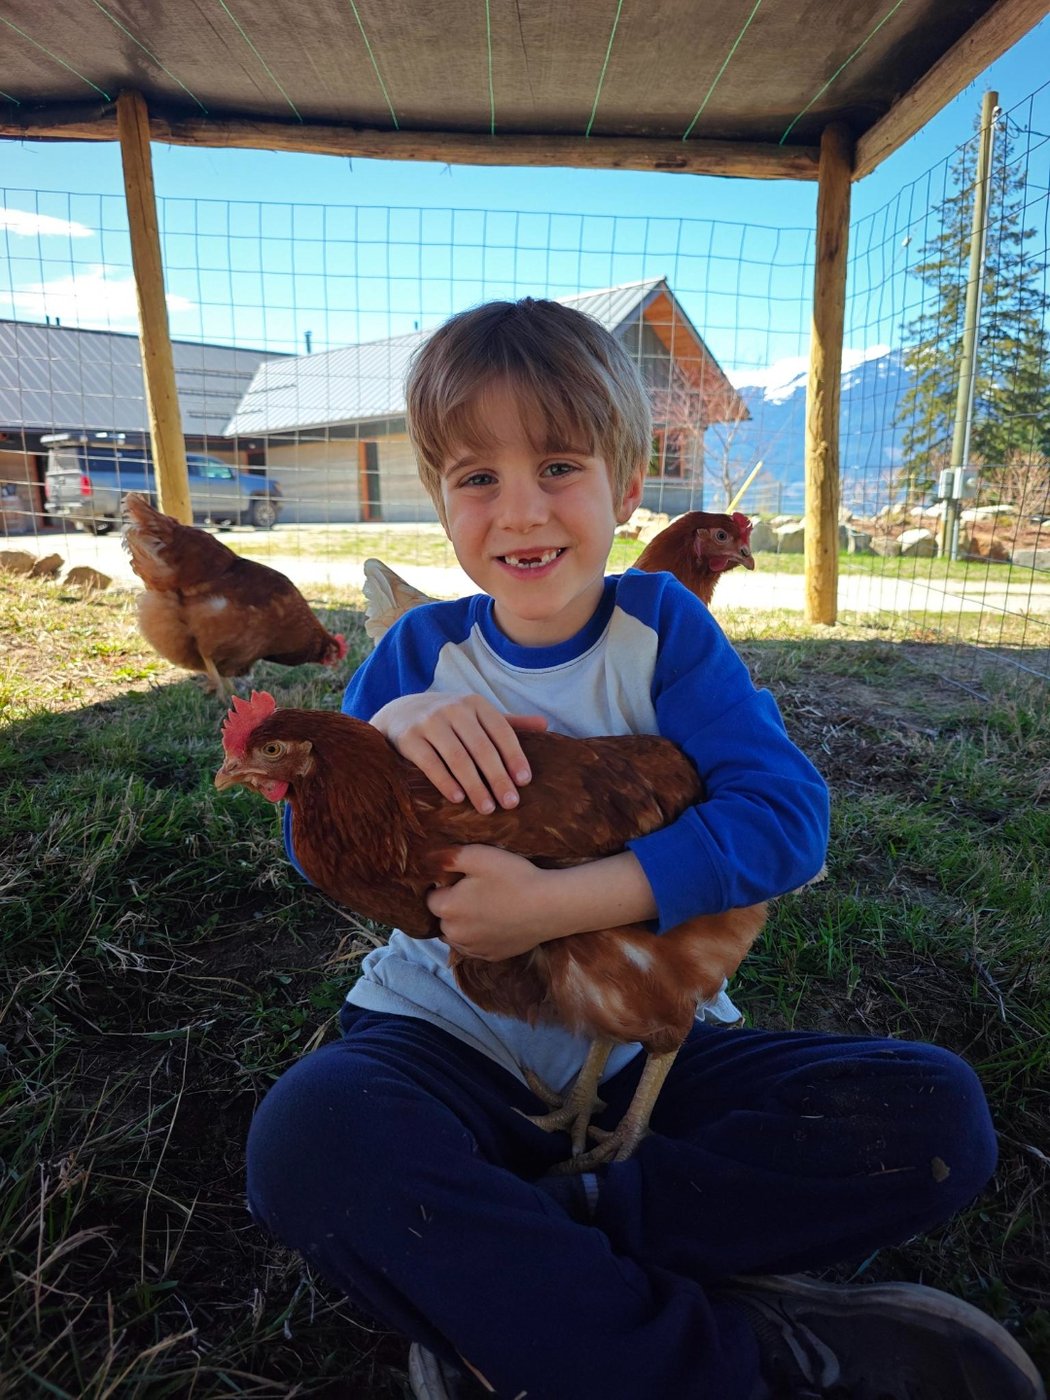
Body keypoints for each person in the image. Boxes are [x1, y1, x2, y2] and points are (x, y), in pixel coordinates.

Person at [245, 298, 1043, 1400]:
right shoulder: (415, 653)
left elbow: (786, 819)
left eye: (558, 465)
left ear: (626, 488)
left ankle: (534, 1275)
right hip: (445, 1037)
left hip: (642, 1058)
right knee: (313, 1138)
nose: (520, 510)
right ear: (440, 500)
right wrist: (379, 734)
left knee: (937, 1114)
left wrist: (553, 904)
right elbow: (314, 850)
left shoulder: (662, 630)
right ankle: (720, 1358)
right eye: (477, 478)